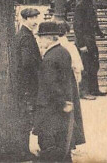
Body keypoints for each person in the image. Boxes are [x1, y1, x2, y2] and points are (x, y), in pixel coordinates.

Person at [33, 21, 83, 162]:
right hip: (61, 106)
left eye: (41, 37)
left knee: (47, 143)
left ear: (49, 38)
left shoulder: (50, 58)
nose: (39, 40)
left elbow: (51, 85)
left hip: (50, 107)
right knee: (62, 142)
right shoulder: (63, 51)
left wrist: (61, 102)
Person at [13, 7, 42, 145]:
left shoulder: (23, 34)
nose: (36, 21)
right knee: (27, 116)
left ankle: (24, 149)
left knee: (25, 116)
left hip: (25, 83)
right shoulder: (26, 36)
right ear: (24, 19)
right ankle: (24, 150)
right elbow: (27, 63)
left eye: (36, 18)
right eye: (32, 18)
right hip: (28, 84)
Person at [73, 0, 106, 98]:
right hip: (84, 40)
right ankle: (84, 92)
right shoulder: (80, 6)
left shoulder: (91, 4)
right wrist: (81, 44)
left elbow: (93, 21)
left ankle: (94, 89)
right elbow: (77, 26)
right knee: (85, 66)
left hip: (91, 39)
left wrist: (100, 32)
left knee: (94, 65)